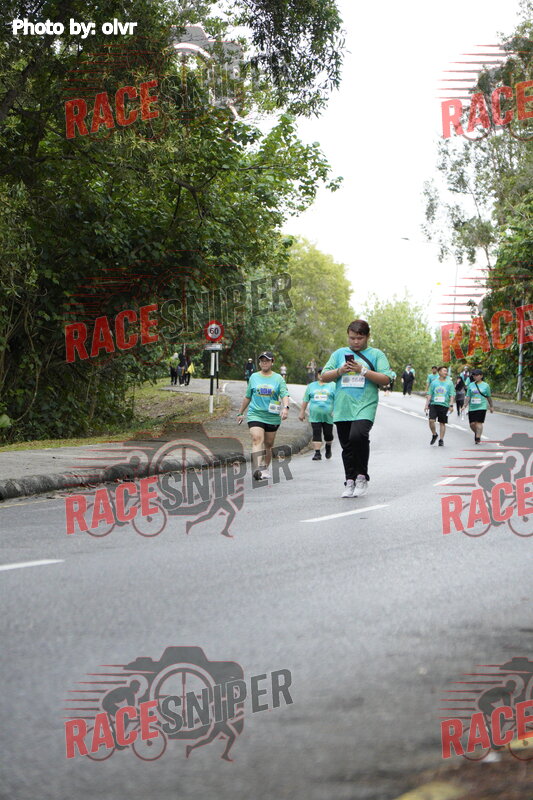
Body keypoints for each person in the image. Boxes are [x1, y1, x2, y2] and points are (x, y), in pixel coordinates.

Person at [320, 320, 393, 497]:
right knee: (347, 446)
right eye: (352, 338)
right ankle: (350, 480)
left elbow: (386, 379)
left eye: (359, 338)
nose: (355, 342)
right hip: (343, 406)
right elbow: (324, 376)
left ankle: (361, 476)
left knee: (358, 436)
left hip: (365, 405)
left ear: (367, 337)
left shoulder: (376, 354)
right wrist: (340, 371)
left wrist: (363, 370)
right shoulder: (339, 354)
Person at [236, 351, 289, 481]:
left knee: (268, 444)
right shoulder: (254, 377)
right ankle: (256, 469)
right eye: (262, 361)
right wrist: (240, 412)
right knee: (256, 438)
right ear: (259, 363)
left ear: (272, 362)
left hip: (272, 416)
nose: (264, 363)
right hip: (255, 414)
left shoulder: (278, 378)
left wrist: (286, 407)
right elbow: (248, 396)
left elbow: (284, 394)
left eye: (267, 361)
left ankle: (264, 467)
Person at [298, 368, 336, 461]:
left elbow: (338, 400)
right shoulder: (311, 386)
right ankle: (317, 453)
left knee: (328, 435)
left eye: (323, 373)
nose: (321, 375)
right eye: (319, 373)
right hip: (315, 415)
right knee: (316, 433)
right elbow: (306, 399)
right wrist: (302, 411)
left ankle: (328, 446)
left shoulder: (333, 385)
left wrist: (337, 412)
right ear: (317, 375)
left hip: (328, 416)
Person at [425, 365, 455, 446]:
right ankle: (434, 434)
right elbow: (430, 394)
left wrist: (451, 406)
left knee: (442, 422)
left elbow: (452, 395)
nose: (446, 372)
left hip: (444, 405)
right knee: (431, 421)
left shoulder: (449, 383)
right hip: (434, 404)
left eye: (446, 371)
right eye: (444, 371)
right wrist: (426, 405)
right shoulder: (434, 382)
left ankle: (441, 440)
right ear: (439, 372)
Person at [464, 368, 494, 443]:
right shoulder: (471, 385)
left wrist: (491, 406)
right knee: (472, 424)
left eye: (477, 375)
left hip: (482, 407)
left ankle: (477, 437)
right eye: (474, 375)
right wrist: (464, 405)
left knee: (479, 423)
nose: (475, 377)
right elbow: (468, 396)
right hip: (472, 407)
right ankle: (477, 432)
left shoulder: (486, 385)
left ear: (481, 376)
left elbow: (488, 397)